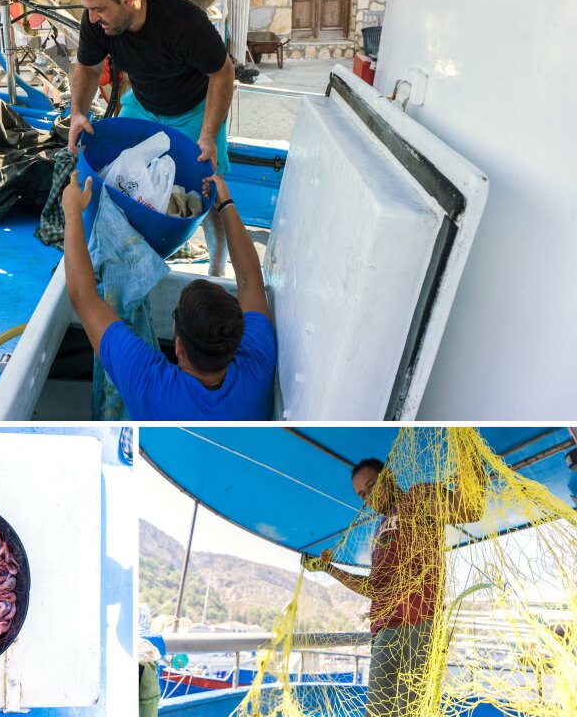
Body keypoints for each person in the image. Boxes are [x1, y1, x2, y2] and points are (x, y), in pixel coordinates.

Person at [67, 0, 235, 276]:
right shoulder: (95, 22)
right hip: (143, 104)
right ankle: (126, 254)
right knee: (116, 179)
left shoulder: (183, 22)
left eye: (100, 9)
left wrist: (209, 136)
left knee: (209, 193)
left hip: (194, 110)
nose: (91, 19)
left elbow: (223, 73)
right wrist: (77, 113)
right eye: (88, 9)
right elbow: (88, 68)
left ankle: (217, 269)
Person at [61, 171, 276, 420]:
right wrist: (225, 205)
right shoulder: (257, 366)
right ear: (238, 340)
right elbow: (250, 281)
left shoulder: (151, 385)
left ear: (178, 346)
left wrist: (72, 212)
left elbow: (83, 297)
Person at [301, 457, 485, 717]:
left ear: (388, 476)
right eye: (362, 494)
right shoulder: (378, 530)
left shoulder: (417, 497)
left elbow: (470, 509)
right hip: (382, 633)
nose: (368, 497)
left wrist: (468, 453)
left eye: (372, 485)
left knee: (411, 712)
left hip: (420, 625)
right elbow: (374, 589)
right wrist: (328, 568)